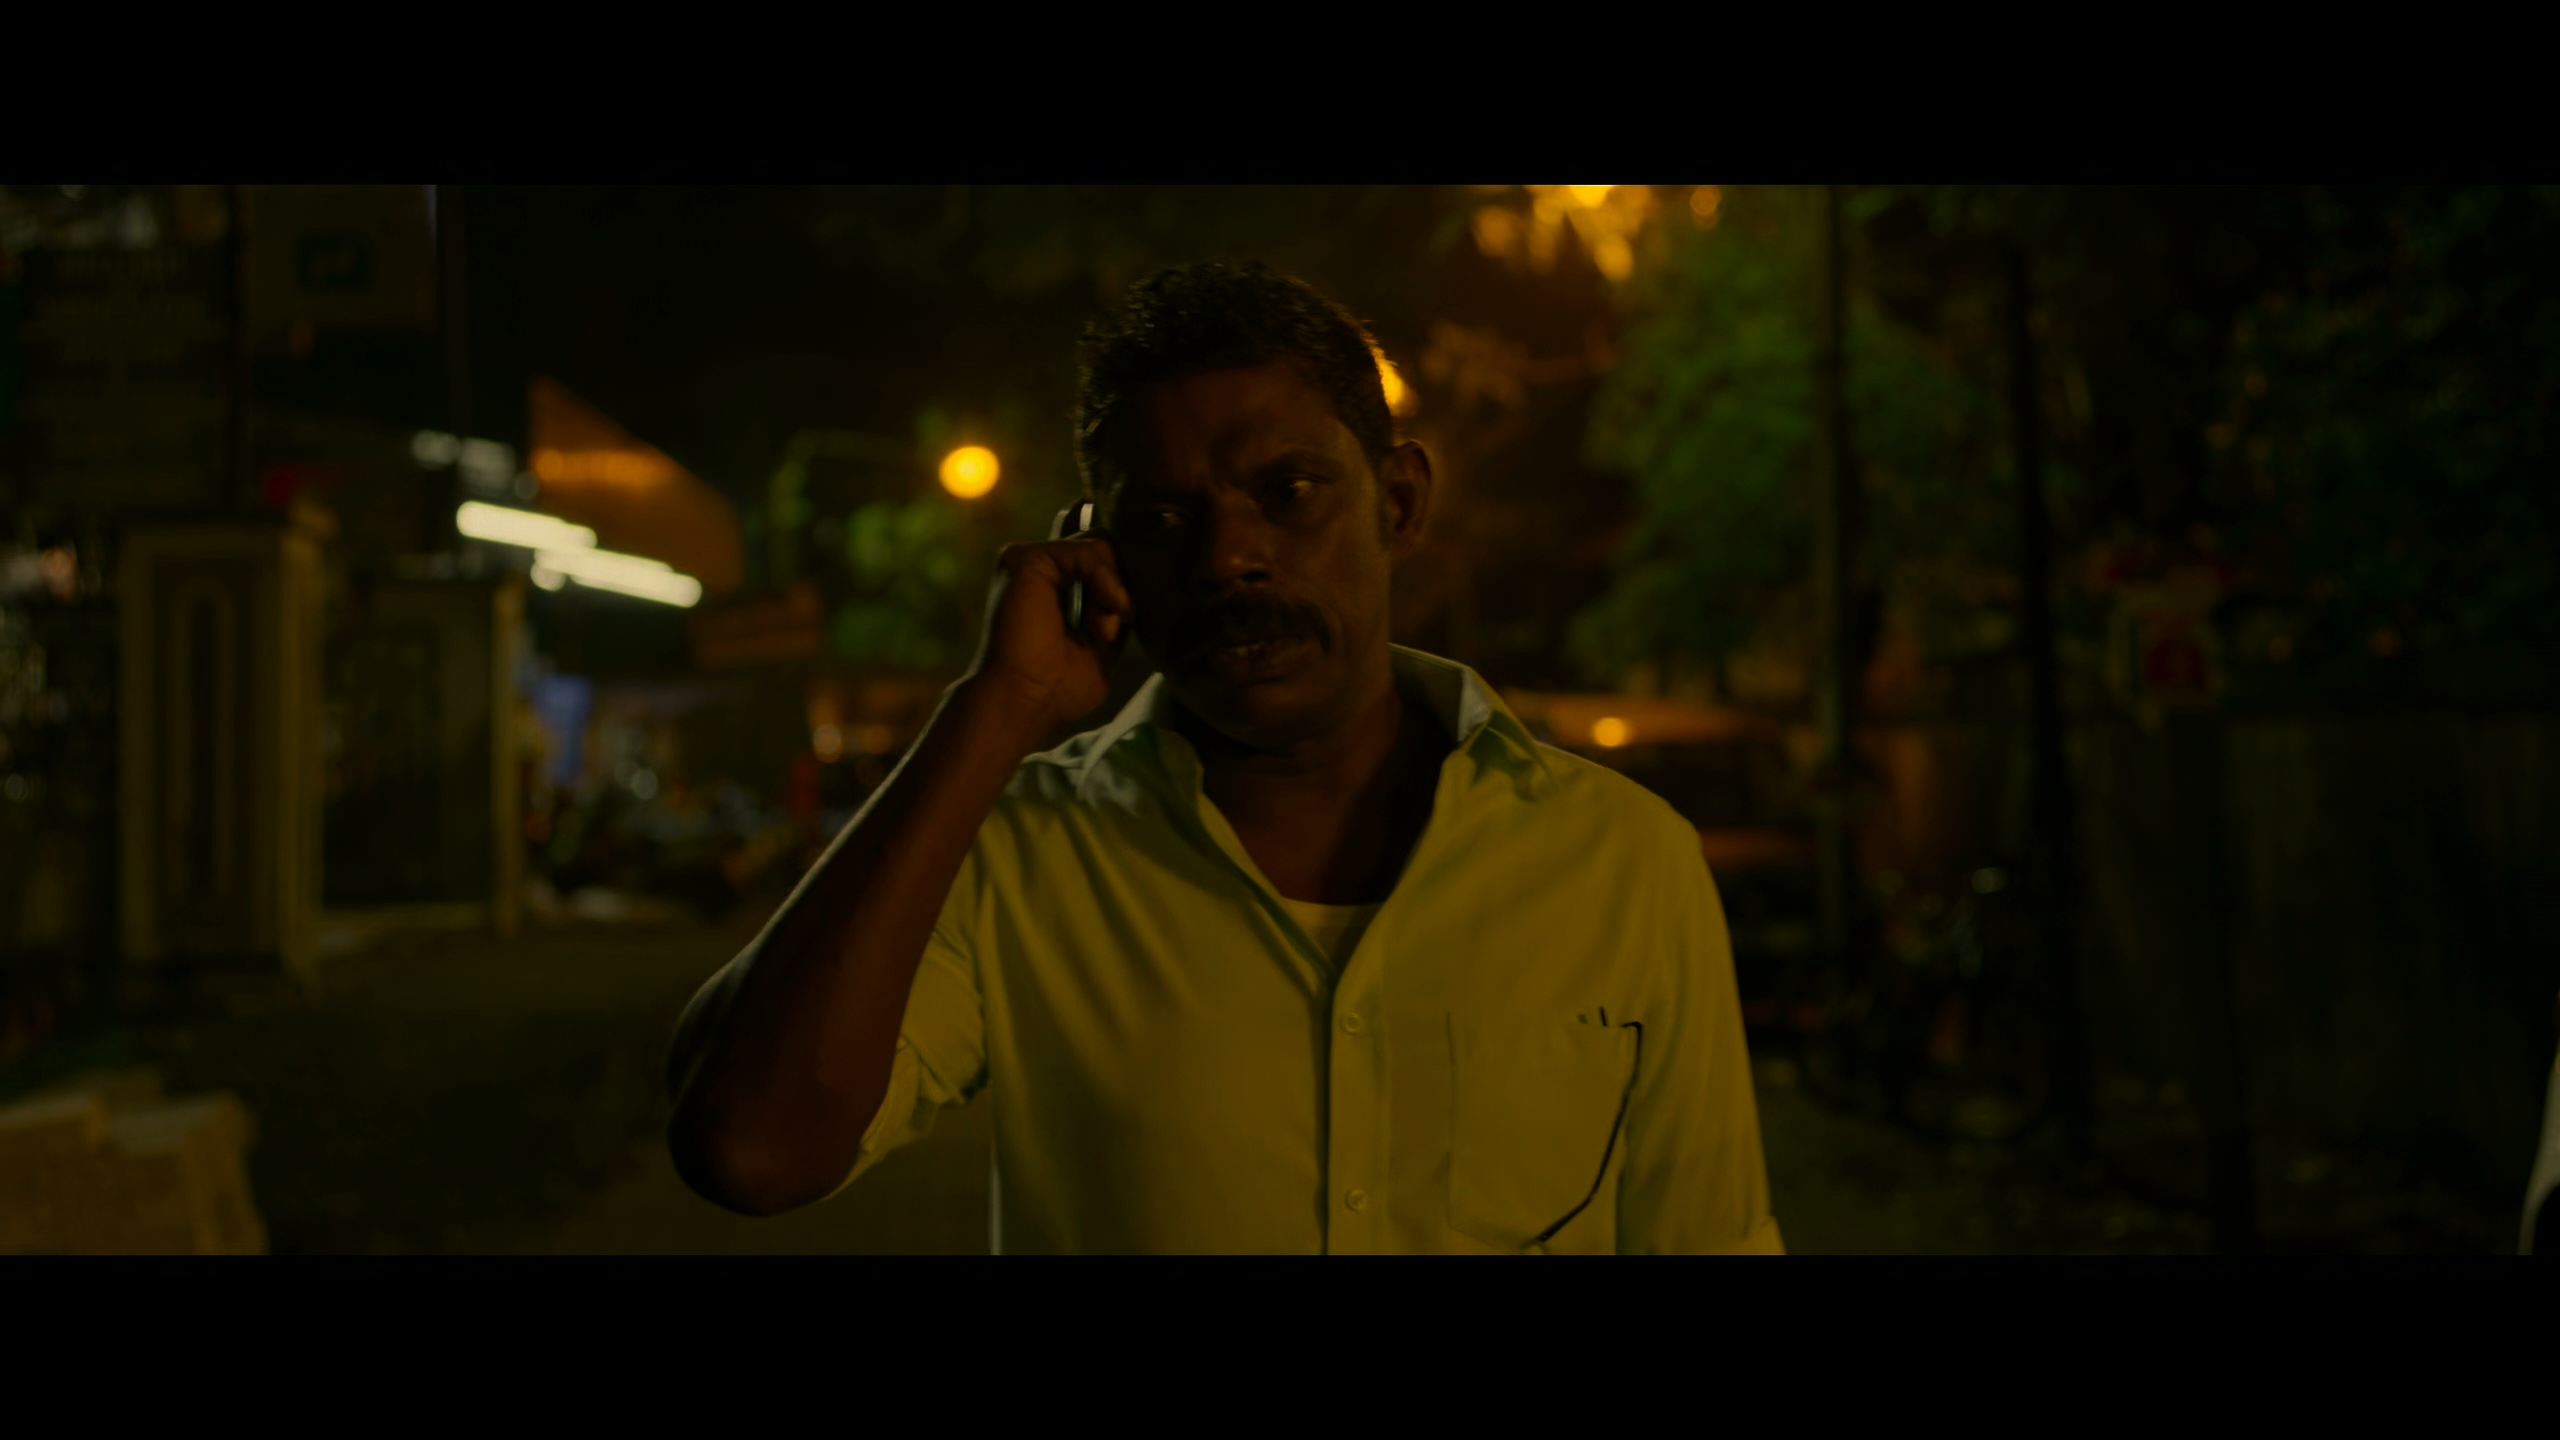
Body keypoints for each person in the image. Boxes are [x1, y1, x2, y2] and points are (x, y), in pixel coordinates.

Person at [665, 260, 1783, 1255]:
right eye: (1163, 519)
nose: (1227, 557)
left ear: (1398, 502)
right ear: (1097, 549)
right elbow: (751, 1150)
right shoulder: (1022, 855)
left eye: (1287, 494)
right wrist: (997, 705)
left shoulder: (1624, 861)